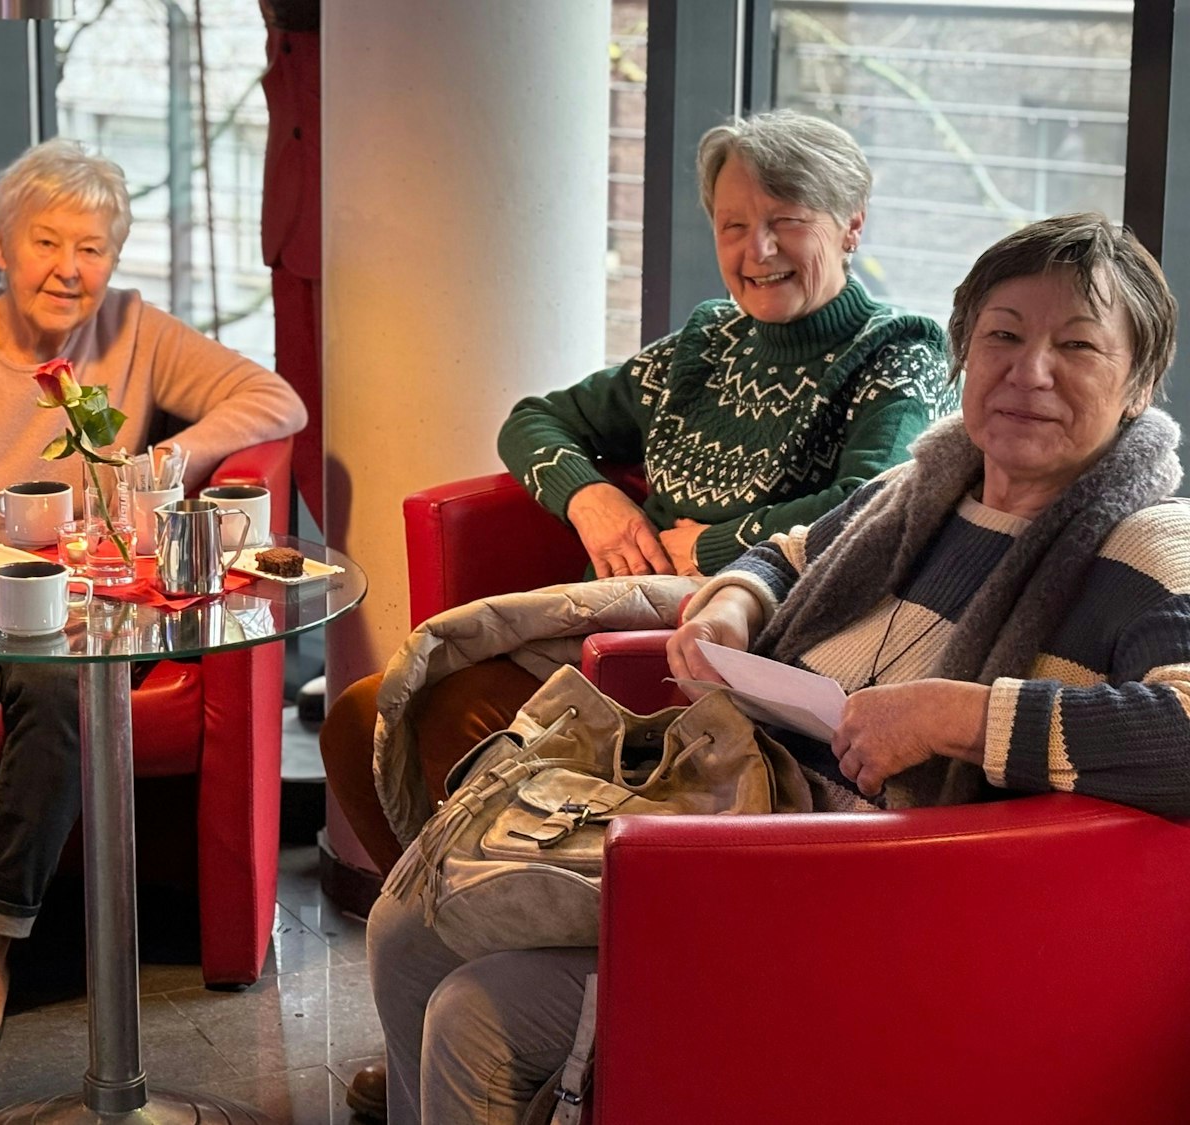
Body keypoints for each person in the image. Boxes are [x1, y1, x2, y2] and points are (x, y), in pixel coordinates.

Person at [369, 212, 1190, 1124]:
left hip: (870, 913)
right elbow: (788, 552)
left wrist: (949, 715)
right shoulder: (925, 486)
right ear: (966, 351)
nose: (1029, 371)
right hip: (735, 815)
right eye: (1004, 334)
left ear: (1139, 383)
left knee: (478, 1014)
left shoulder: (1151, 541)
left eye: (1077, 345)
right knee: (404, 926)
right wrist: (731, 601)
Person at [323, 109, 953, 1118]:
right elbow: (531, 419)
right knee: (361, 716)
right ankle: (442, 1009)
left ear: (850, 226)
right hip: (613, 624)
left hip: (721, 642)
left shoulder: (895, 350)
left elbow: (871, 498)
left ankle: (515, 1016)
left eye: (784, 220)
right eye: (731, 223)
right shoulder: (705, 341)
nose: (754, 251)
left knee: (456, 726)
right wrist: (592, 496)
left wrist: (708, 547)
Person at [0, 138, 304, 1059]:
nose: (69, 269)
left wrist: (168, 459)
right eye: (47, 242)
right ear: (1, 247)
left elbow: (275, 398)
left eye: (92, 248)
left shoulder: (133, 329)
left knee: (65, 687)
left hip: (85, 604)